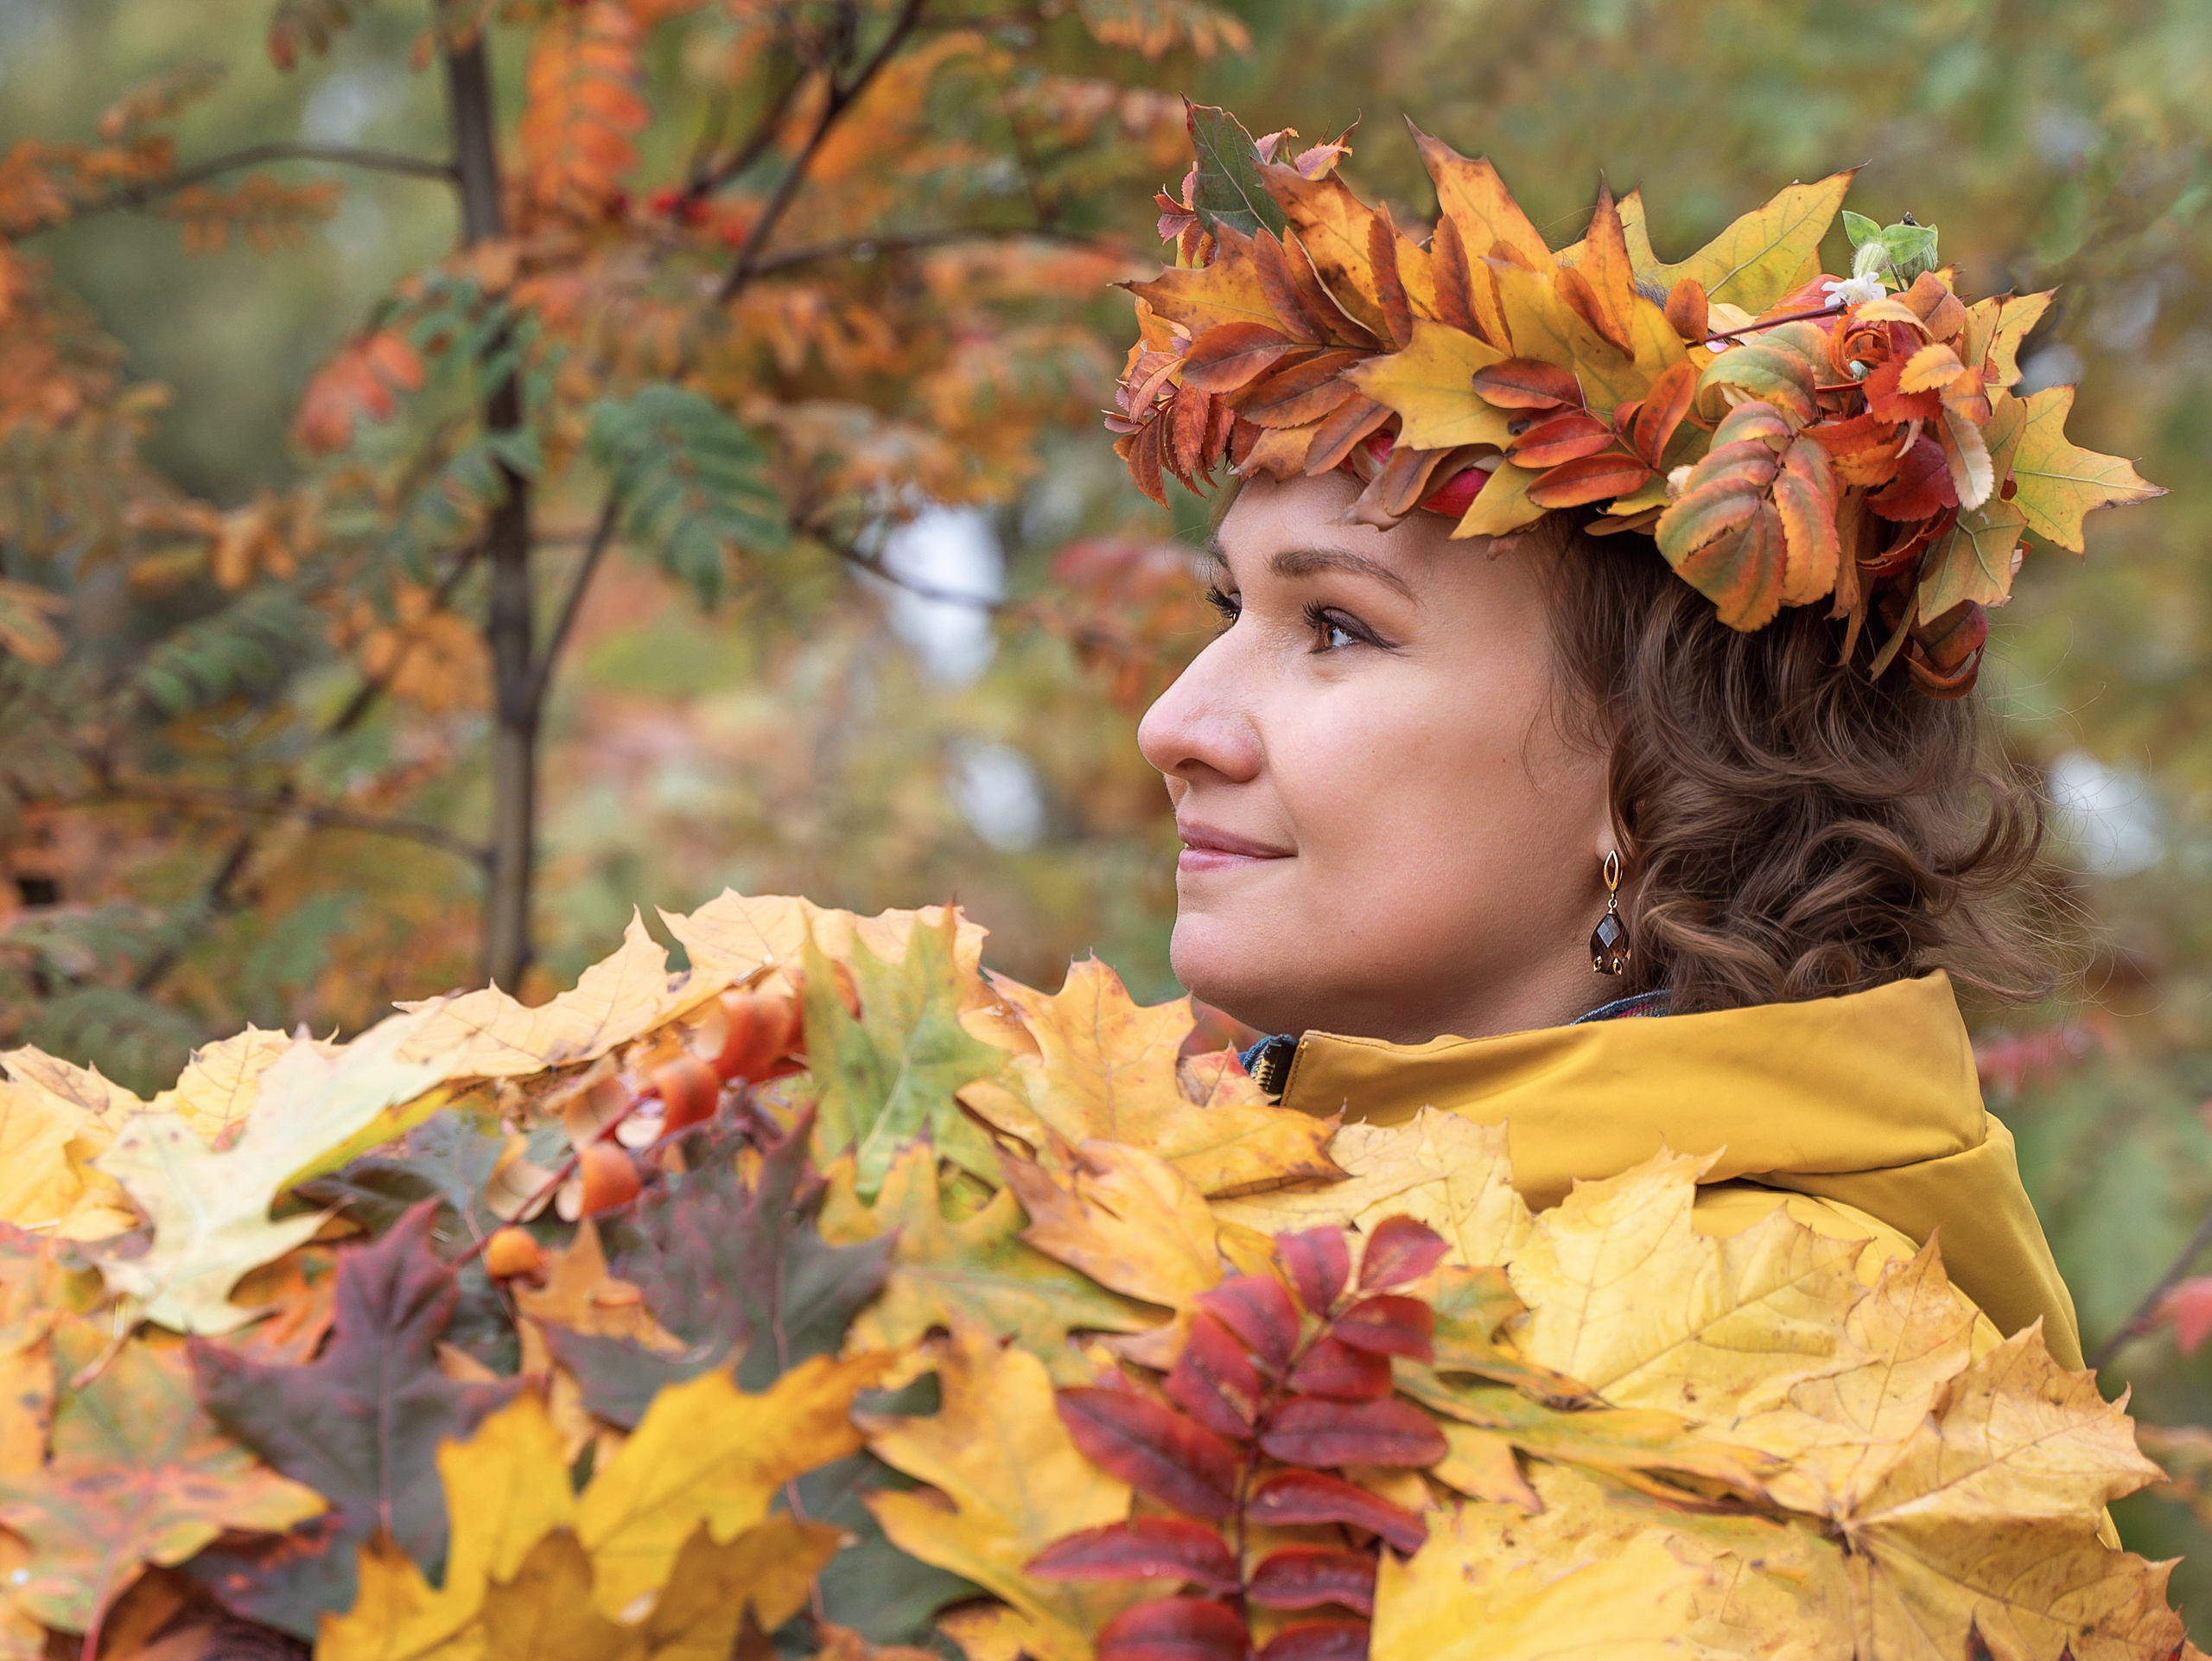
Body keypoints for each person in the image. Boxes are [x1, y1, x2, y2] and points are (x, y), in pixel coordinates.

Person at [1114, 119, 2162, 1375]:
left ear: (1654, 771)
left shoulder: (1779, 1339)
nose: (1172, 726)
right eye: (1228, 608)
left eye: (1336, 626)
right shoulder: (1269, 1226)